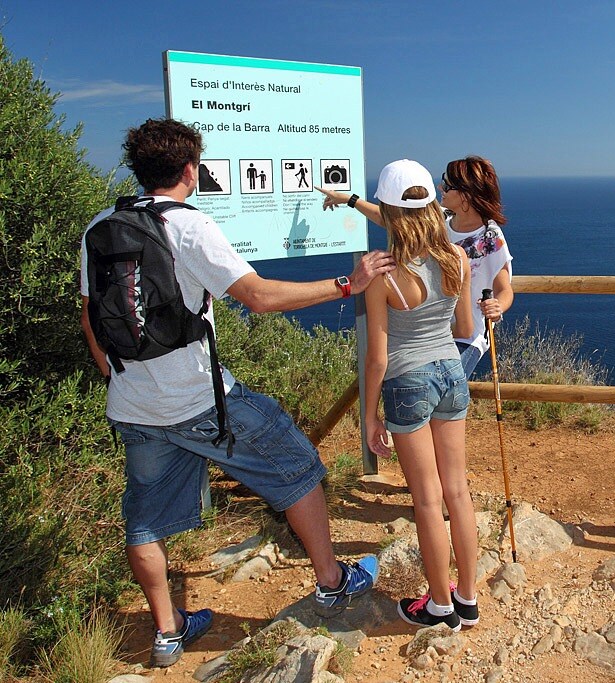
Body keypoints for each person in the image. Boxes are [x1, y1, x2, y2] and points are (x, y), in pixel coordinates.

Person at [79, 118, 396, 668]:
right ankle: (330, 581)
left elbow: (88, 312)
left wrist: (113, 372)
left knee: (145, 520)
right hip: (201, 400)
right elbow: (259, 297)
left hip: (132, 403)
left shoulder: (100, 226)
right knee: (297, 463)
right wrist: (348, 284)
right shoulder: (189, 226)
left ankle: (167, 631)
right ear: (189, 170)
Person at [361, 159, 479, 631]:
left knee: (427, 499)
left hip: (407, 382)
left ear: (388, 213)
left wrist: (369, 418)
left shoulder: (381, 274)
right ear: (432, 205)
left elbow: (377, 358)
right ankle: (466, 600)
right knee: (457, 492)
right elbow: (465, 328)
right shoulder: (457, 258)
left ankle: (438, 605)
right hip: (451, 372)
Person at [318, 155, 512, 376]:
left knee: (438, 385)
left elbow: (504, 287)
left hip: (468, 336)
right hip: (434, 331)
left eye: (447, 185)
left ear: (465, 196)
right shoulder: (442, 219)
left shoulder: (489, 237)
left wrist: (498, 306)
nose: (440, 187)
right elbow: (390, 219)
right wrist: (350, 200)